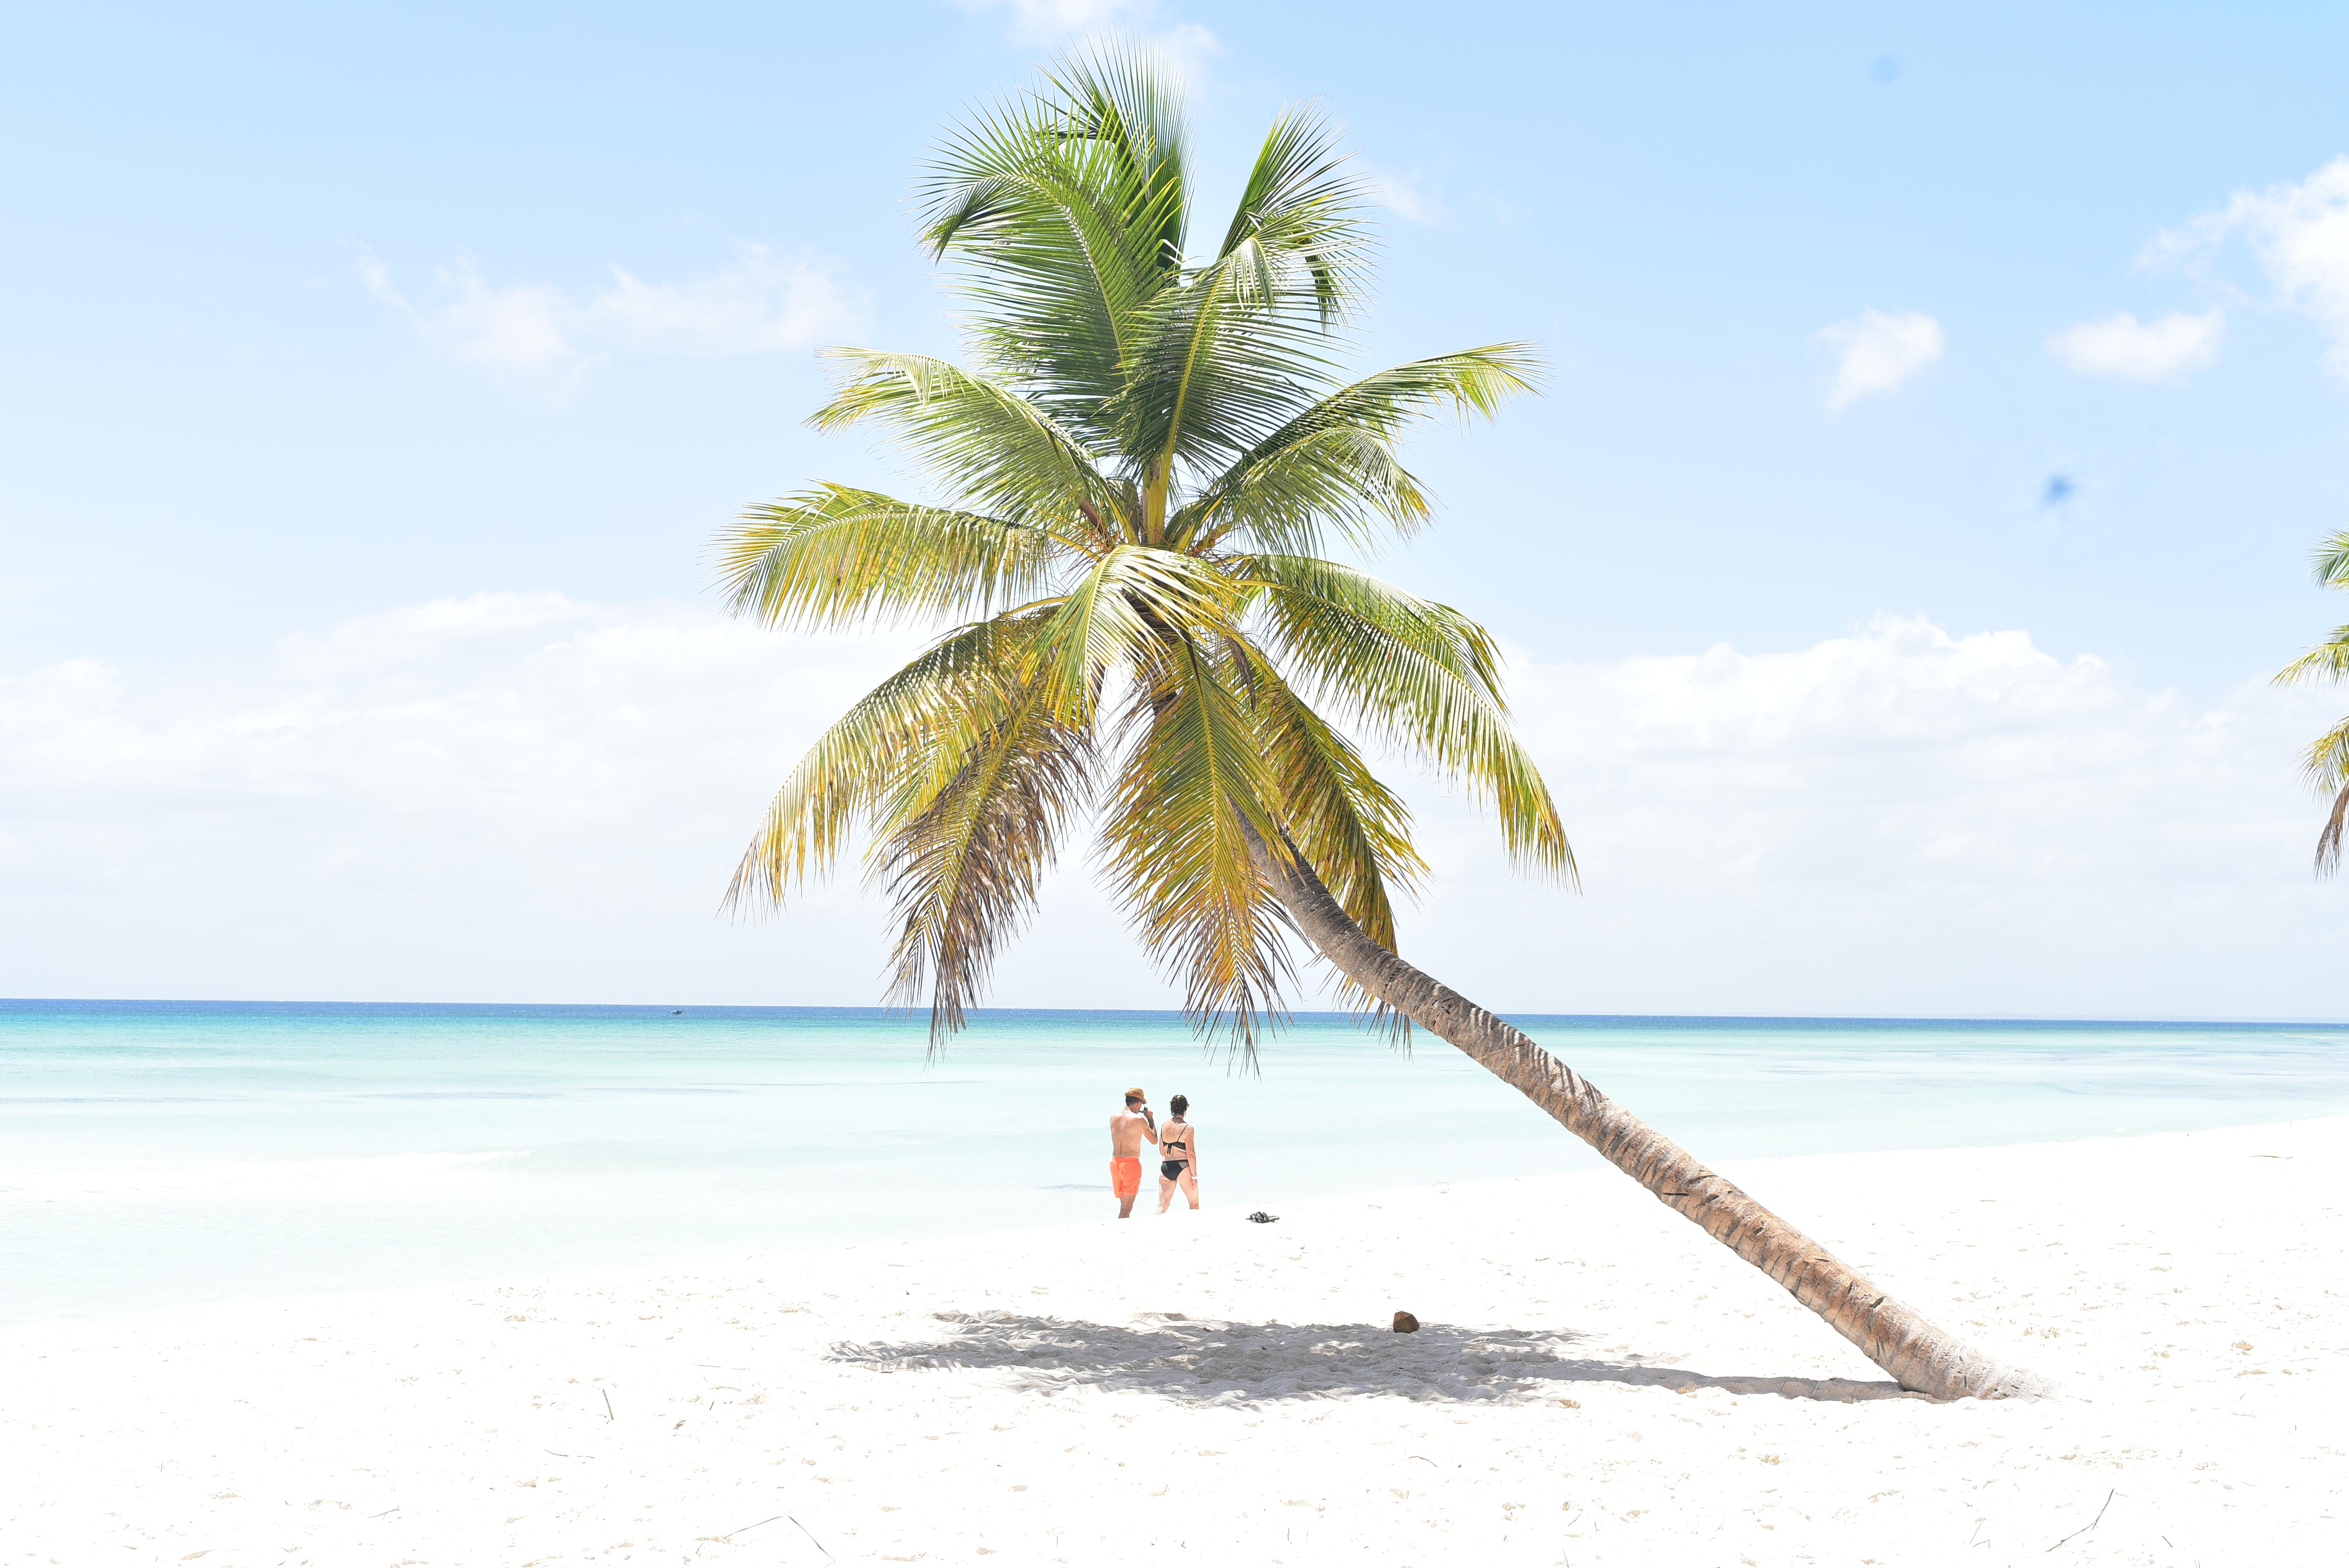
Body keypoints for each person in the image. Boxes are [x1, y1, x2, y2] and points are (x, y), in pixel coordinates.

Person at [1108, 1087, 1157, 1218]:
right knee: (1126, 1208)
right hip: (1130, 1165)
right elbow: (1154, 1140)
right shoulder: (1138, 1120)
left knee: (1124, 1206)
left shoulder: (1113, 1118)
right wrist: (1150, 1119)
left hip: (1115, 1163)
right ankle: (1119, 1234)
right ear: (1139, 1103)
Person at [1156, 1093, 1200, 1213]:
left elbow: (1161, 1151)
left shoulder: (1165, 1126)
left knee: (1162, 1206)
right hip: (1182, 1167)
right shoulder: (1188, 1128)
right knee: (1194, 1204)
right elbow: (1191, 1154)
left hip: (1166, 1168)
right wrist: (1194, 1177)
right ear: (1186, 1108)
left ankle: (1153, 1228)